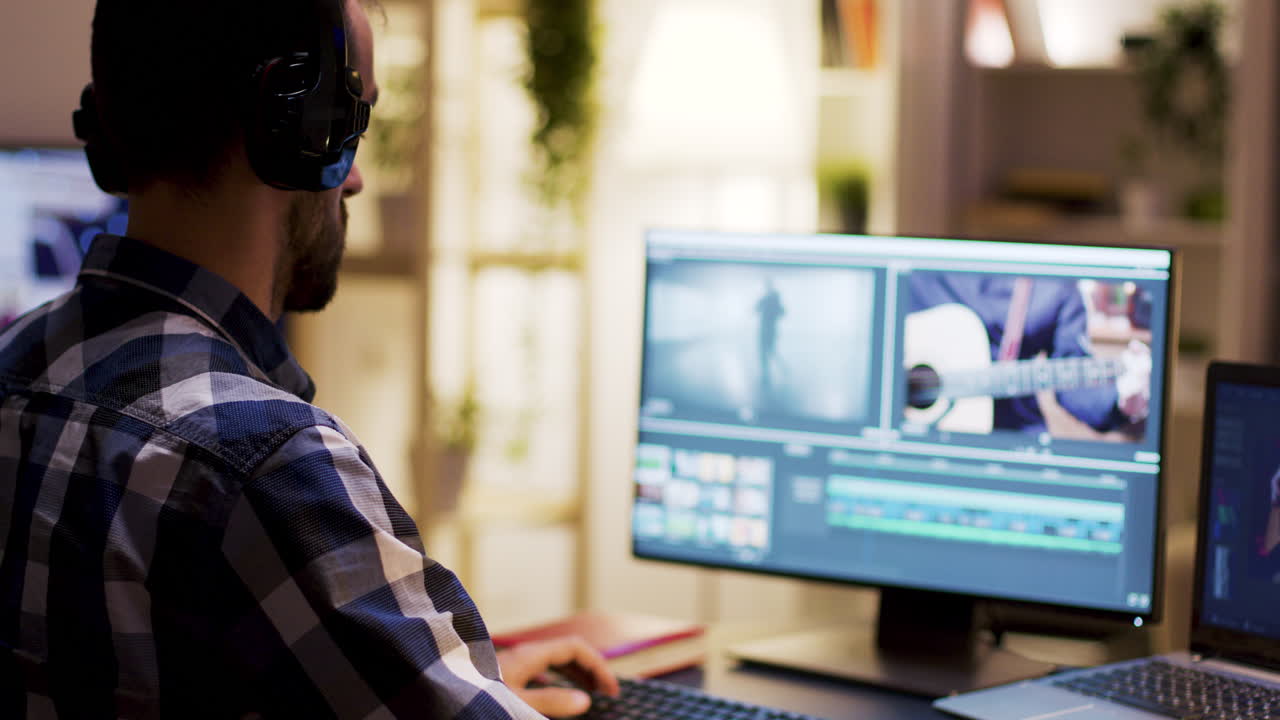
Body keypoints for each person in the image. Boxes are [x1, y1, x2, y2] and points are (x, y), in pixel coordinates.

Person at [0, 1, 617, 717]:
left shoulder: (15, 362)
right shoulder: (261, 462)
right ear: (293, 128)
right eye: (353, 125)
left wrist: (457, 680)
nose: (355, 180)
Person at [907, 272, 1150, 436]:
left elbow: (1075, 390)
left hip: (1011, 438)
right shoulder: (915, 271)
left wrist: (1121, 400)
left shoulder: (1056, 287)